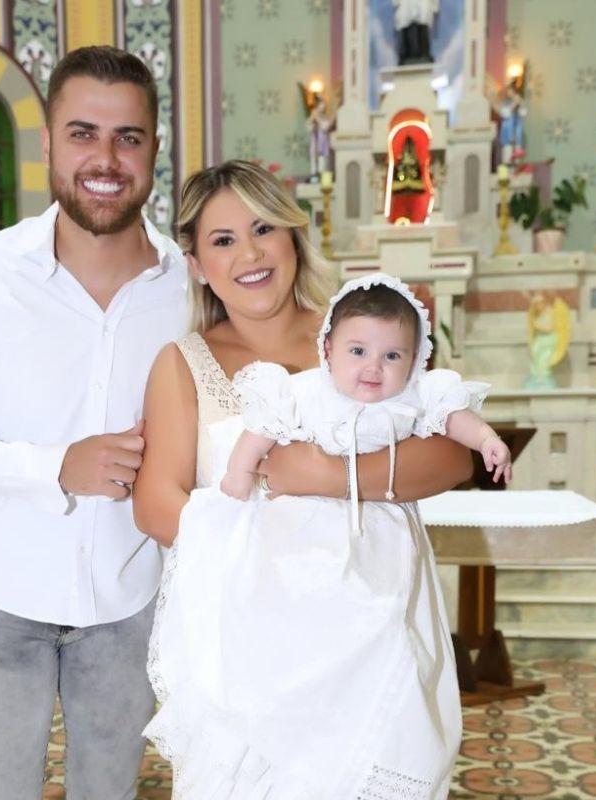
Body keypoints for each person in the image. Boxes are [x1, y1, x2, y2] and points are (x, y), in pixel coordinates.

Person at [132, 160, 475, 799]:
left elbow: (455, 456)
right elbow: (155, 503)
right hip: (253, 641)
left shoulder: (366, 334)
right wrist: (277, 567)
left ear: (294, 236)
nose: (250, 254)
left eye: (264, 228)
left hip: (370, 627)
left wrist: (328, 475)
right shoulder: (183, 363)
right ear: (197, 264)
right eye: (223, 240)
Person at [0, 46, 187, 799]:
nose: (106, 159)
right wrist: (55, 466)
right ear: (49, 143)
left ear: (154, 148)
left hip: (130, 601)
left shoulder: (189, 288)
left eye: (128, 137)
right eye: (83, 133)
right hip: (2, 598)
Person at [220, 273, 511, 503]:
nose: (374, 367)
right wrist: (240, 470)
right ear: (329, 350)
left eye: (392, 356)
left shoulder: (413, 395)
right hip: (312, 508)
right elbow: (263, 426)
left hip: (385, 512)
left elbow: (452, 416)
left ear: (412, 360)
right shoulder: (310, 390)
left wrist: (486, 440)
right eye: (358, 352)